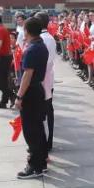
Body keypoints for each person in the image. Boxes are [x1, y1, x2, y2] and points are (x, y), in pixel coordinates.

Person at [15, 16, 49, 179]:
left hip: (30, 92)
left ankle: (35, 166)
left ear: (27, 31)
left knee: (31, 130)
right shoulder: (41, 45)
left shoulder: (32, 49)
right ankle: (41, 162)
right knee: (38, 128)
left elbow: (27, 75)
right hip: (38, 90)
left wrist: (19, 96)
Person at [35, 11, 57, 153]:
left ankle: (46, 141)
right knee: (47, 110)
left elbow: (45, 62)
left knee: (44, 112)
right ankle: (47, 141)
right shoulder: (49, 38)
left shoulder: (42, 39)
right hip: (47, 78)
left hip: (42, 79)